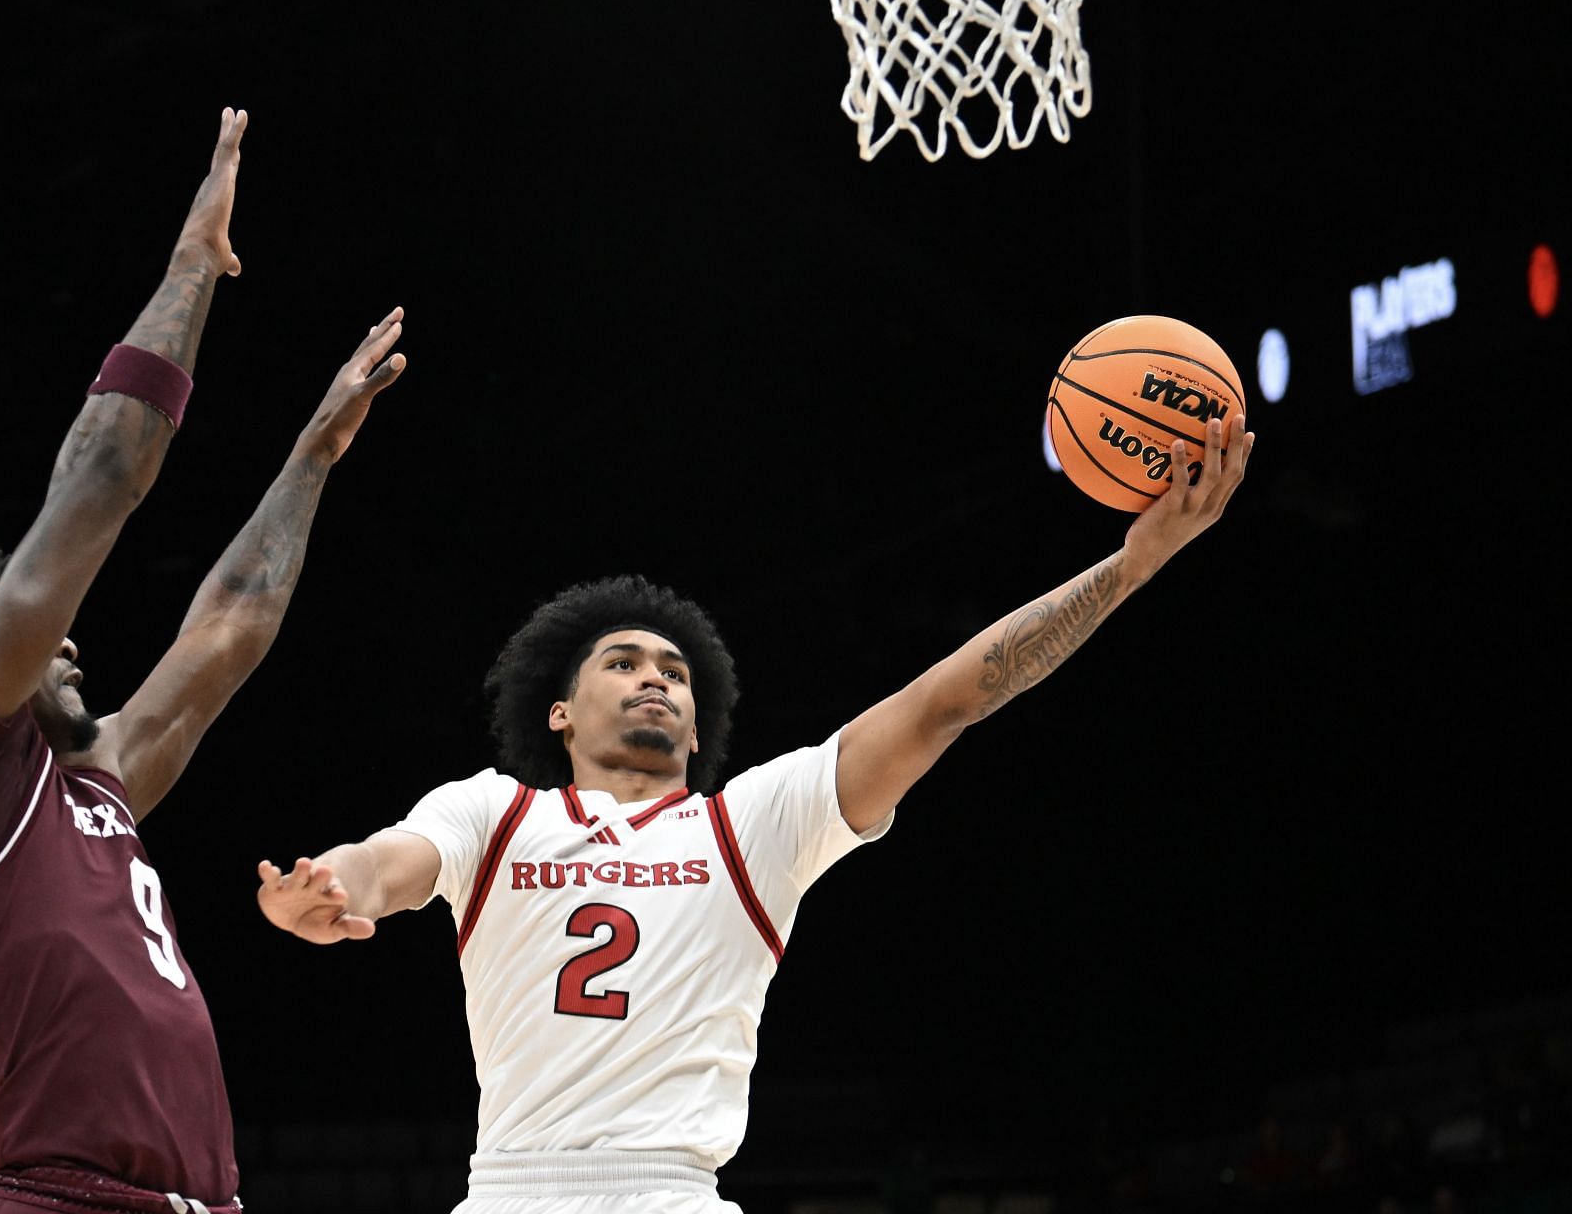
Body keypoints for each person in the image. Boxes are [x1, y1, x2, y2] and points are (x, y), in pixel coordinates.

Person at [257, 416, 1255, 1212]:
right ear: (559, 711)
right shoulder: (496, 810)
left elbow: (950, 696)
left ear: (697, 729)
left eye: (676, 672)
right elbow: (392, 860)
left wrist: (1128, 568)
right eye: (625, 662)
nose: (657, 677)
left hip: (678, 1192)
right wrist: (338, 885)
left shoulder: (752, 826)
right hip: (515, 1185)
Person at [0, 107, 407, 1214]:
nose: (67, 639)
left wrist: (311, 454)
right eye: (21, 625)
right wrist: (193, 267)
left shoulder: (88, 783)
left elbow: (226, 630)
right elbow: (97, 482)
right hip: (63, 1198)